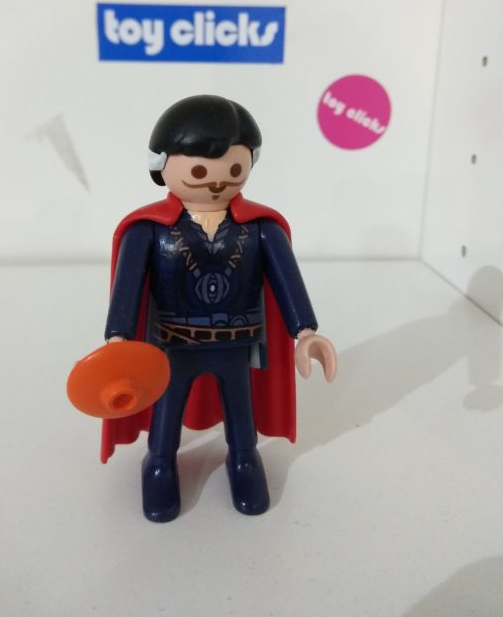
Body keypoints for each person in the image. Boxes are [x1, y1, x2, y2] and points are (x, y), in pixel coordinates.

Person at [104, 95, 337, 521]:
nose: (215, 182)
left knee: (241, 411)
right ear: (161, 164)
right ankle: (159, 463)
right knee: (166, 411)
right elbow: (128, 289)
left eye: (233, 169)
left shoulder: (261, 228)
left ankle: (244, 460)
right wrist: (117, 338)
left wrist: (305, 331)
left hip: (235, 342)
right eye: (198, 170)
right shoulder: (148, 230)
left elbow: (287, 280)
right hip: (172, 344)